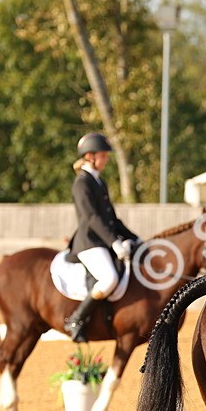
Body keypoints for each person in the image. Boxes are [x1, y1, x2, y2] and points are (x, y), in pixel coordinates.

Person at [64, 132, 140, 343]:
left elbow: (111, 219)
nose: (106, 160)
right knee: (109, 279)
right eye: (103, 156)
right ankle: (76, 319)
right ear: (90, 156)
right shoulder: (82, 183)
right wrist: (114, 242)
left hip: (102, 241)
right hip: (89, 243)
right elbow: (91, 217)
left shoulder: (98, 182)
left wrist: (136, 238)